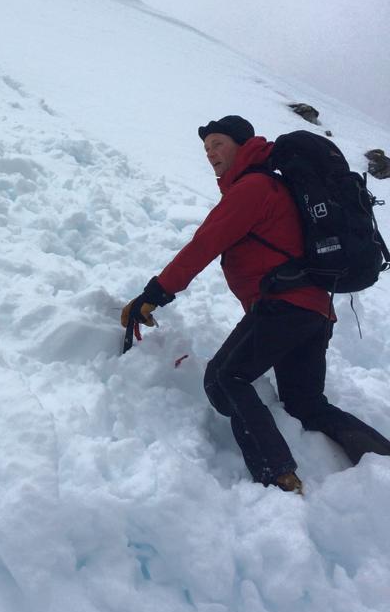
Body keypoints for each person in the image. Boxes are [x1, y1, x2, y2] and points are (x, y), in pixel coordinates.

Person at [121, 115, 390, 494]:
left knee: (225, 377)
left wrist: (154, 294)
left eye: (218, 143)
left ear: (242, 144)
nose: (211, 153)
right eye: (206, 148)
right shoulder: (274, 187)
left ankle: (277, 475)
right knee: (306, 405)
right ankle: (382, 459)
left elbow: (204, 244)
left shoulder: (253, 188)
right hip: (312, 311)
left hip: (284, 307)